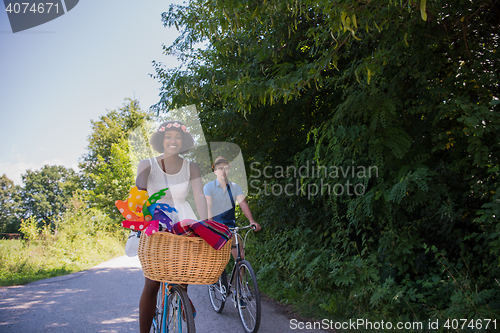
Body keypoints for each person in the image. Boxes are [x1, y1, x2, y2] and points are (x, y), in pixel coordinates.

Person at [135, 120, 207, 333]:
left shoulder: (191, 167)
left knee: (183, 272)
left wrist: (205, 225)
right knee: (152, 283)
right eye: (168, 136)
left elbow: (199, 196)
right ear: (162, 140)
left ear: (183, 141)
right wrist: (139, 222)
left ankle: (182, 296)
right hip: (154, 221)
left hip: (182, 219)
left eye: (177, 137)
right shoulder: (147, 164)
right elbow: (138, 196)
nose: (173, 140)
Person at [204, 156, 261, 261]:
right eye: (220, 168)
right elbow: (208, 205)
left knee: (241, 257)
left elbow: (243, 204)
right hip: (215, 226)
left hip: (230, 227)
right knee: (216, 262)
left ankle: (239, 277)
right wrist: (210, 224)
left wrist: (252, 221)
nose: (223, 171)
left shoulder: (235, 187)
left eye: (225, 168)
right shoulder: (209, 187)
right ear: (215, 171)